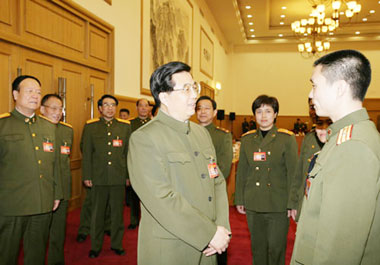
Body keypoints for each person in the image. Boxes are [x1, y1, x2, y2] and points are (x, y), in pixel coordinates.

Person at [128, 61, 231, 265]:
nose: (194, 94)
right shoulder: (145, 138)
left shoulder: (201, 133)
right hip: (172, 248)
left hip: (210, 246)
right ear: (164, 96)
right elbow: (162, 198)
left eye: (194, 87)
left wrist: (222, 228)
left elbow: (216, 181)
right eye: (186, 89)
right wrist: (209, 233)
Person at [291, 50, 380, 265]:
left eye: (315, 85)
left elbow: (341, 247)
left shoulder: (353, 146)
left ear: (339, 88)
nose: (311, 95)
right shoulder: (343, 136)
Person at [0, 75, 62, 265]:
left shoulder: (48, 127)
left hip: (42, 202)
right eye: (29, 91)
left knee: (36, 255)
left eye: (38, 92)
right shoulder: (3, 125)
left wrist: (56, 193)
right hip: (11, 205)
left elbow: (55, 164)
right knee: (6, 255)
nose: (35, 95)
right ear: (15, 94)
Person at [235, 94, 298, 265]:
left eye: (268, 111)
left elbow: (293, 173)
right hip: (254, 201)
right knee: (258, 247)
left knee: (276, 248)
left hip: (278, 203)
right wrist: (239, 198)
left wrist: (293, 203)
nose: (263, 116)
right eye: (259, 111)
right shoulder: (247, 139)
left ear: (276, 114)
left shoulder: (286, 139)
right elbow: (242, 171)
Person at [81, 94, 131, 258]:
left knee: (117, 214)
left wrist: (128, 175)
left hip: (118, 177)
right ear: (100, 108)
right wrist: (87, 175)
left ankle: (117, 244)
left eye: (113, 105)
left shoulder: (124, 127)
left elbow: (128, 154)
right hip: (98, 177)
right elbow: (87, 153)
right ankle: (96, 246)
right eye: (106, 105)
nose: (110, 108)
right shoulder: (91, 127)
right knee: (97, 214)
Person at [196, 95, 233, 265]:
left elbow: (223, 168)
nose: (202, 112)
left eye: (207, 108)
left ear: (215, 112)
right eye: (199, 108)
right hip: (193, 194)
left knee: (218, 233)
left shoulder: (222, 136)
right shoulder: (188, 133)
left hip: (214, 193)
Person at [40, 94, 74, 265]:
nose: (57, 112)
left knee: (58, 234)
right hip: (41, 191)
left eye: (60, 108)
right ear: (42, 109)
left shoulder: (67, 130)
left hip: (63, 190)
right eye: (53, 108)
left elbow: (65, 162)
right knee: (38, 237)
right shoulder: (35, 130)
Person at [293, 117, 331, 222]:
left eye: (329, 123)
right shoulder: (310, 138)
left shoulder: (344, 144)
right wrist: (295, 203)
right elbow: (301, 174)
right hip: (307, 204)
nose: (323, 129)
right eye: (319, 124)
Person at [126, 98, 151, 230]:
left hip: (151, 166)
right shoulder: (129, 124)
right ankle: (134, 220)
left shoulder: (154, 124)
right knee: (134, 197)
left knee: (151, 196)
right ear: (137, 108)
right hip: (135, 165)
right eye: (140, 106)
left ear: (149, 108)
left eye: (145, 106)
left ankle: (150, 220)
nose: (143, 108)